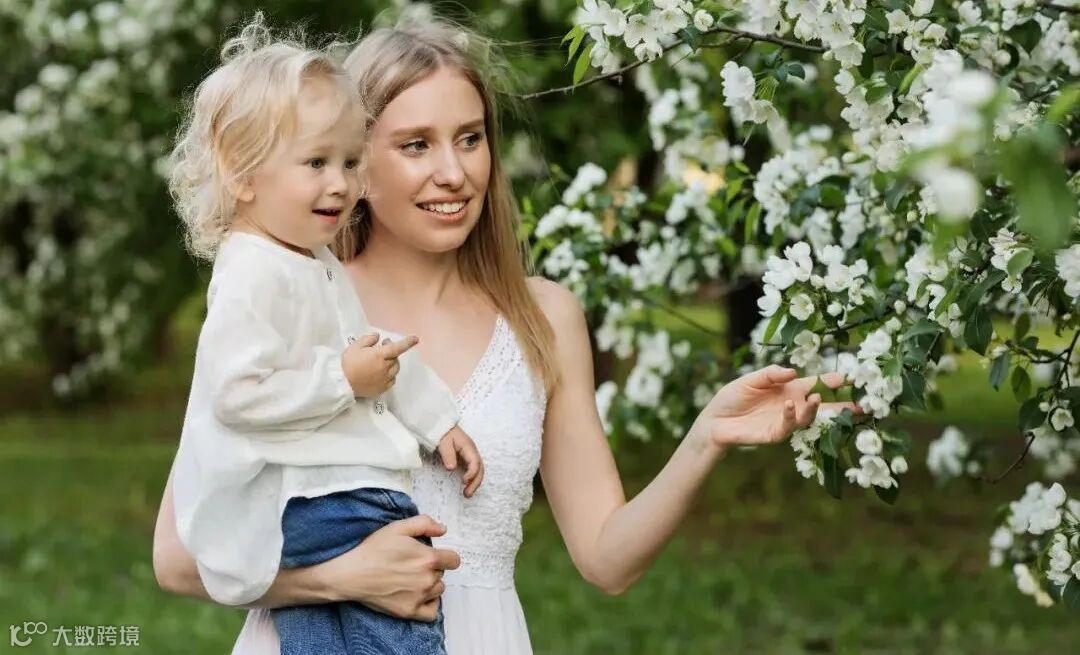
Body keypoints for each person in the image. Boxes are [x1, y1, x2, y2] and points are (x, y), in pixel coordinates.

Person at [153, 17, 853, 655]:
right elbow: (178, 557)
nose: (454, 173)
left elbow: (607, 560)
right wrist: (341, 579)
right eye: (415, 145)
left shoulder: (544, 317)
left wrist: (707, 438)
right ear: (355, 158)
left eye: (470, 138)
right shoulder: (294, 295)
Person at [164, 15, 482, 655]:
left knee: (316, 632)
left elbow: (369, 347)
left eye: (349, 162)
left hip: (306, 500)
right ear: (241, 173)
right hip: (311, 499)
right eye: (316, 162)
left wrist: (436, 418)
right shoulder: (253, 273)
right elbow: (238, 393)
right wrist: (342, 379)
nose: (340, 183)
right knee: (403, 592)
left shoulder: (306, 259)